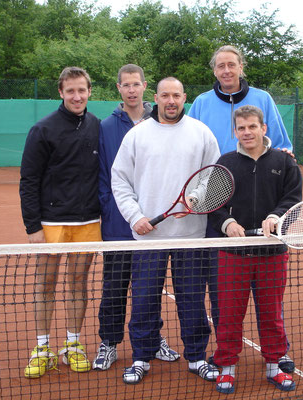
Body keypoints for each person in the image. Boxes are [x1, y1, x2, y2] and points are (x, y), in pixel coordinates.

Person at [188, 44, 296, 374]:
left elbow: (282, 146)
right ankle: (226, 354)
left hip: (262, 207)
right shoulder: (202, 103)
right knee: (224, 287)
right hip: (218, 205)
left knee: (269, 296)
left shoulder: (263, 99)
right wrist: (205, 200)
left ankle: (277, 353)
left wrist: (275, 207)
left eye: (231, 65)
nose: (226, 70)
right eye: (220, 66)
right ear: (214, 70)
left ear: (241, 67)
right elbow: (188, 142)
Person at [111, 77, 220, 385]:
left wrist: (198, 201)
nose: (171, 100)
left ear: (184, 97)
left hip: (192, 236)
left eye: (176, 95)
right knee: (144, 300)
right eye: (165, 95)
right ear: (155, 98)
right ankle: (141, 358)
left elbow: (213, 178)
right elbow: (119, 180)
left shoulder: (201, 133)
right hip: (148, 237)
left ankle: (197, 356)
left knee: (193, 300)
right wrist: (135, 217)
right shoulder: (137, 135)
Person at [209, 105, 302, 394]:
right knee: (229, 313)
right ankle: (226, 367)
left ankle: (275, 364)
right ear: (235, 131)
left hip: (272, 253)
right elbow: (214, 206)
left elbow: (292, 201)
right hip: (233, 253)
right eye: (241, 128)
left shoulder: (285, 163)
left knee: (271, 312)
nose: (247, 132)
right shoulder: (225, 163)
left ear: (264, 128)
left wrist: (276, 217)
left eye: (252, 126)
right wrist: (228, 224)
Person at [93, 64, 179, 371]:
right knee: (114, 286)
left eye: (136, 84)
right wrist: (115, 211)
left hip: (152, 226)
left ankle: (152, 339)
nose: (131, 90)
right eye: (125, 85)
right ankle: (109, 342)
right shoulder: (105, 127)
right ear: (118, 88)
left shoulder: (163, 122)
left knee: (149, 287)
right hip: (118, 223)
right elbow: (106, 176)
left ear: (145, 87)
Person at [19, 66, 101, 378]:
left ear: (89, 91)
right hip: (51, 223)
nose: (77, 96)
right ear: (61, 93)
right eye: (71, 91)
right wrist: (33, 228)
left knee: (78, 284)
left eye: (82, 90)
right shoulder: (43, 130)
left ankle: (73, 345)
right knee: (45, 285)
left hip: (88, 221)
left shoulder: (96, 126)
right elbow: (28, 181)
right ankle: (42, 348)